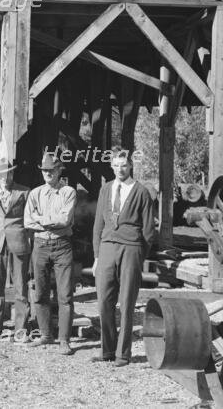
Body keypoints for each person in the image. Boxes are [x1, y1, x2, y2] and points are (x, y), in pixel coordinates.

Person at [92, 149, 155, 367]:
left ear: (131, 166)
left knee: (127, 302)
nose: (120, 169)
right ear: (112, 166)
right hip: (107, 247)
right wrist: (97, 256)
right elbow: (98, 225)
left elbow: (148, 231)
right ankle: (107, 350)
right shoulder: (106, 189)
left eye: (124, 165)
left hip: (131, 248)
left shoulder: (141, 192)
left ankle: (123, 354)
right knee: (103, 302)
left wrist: (139, 255)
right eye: (117, 165)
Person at [24, 153, 77, 355]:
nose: (47, 173)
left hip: (62, 245)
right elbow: (28, 221)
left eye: (51, 170)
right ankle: (46, 334)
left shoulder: (68, 192)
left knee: (65, 295)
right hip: (40, 245)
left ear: (59, 171)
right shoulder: (35, 193)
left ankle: (64, 339)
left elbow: (64, 220)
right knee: (40, 292)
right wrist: (49, 219)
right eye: (44, 170)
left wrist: (41, 218)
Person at [0, 158, 31, 340]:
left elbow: (28, 218)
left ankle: (21, 329)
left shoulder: (24, 192)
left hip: (18, 242)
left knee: (20, 285)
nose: (4, 177)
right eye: (0, 174)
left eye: (7, 173)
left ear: (12, 173)